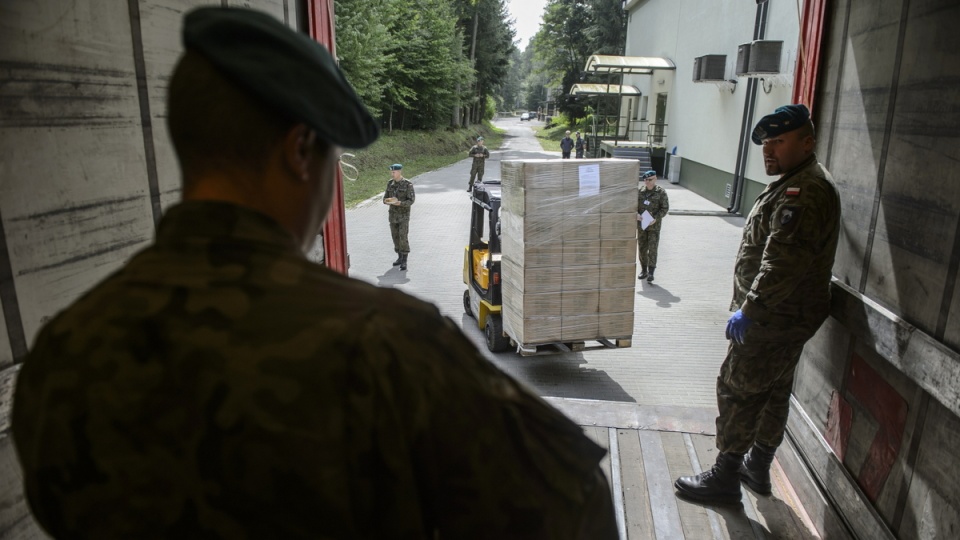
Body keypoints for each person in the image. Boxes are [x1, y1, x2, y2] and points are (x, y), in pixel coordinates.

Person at [11, 7, 618, 539]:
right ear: (300, 150)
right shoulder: (387, 348)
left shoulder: (65, 349)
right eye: (334, 159)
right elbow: (573, 508)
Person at [674, 104, 841, 504]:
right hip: (787, 319)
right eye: (766, 143)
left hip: (772, 319)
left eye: (779, 142)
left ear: (807, 142)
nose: (769, 150)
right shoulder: (797, 180)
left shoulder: (803, 192)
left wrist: (751, 309)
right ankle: (758, 466)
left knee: (739, 389)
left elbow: (782, 261)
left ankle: (725, 477)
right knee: (774, 392)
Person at [636, 170, 669, 283]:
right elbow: (633, 206)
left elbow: (664, 209)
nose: (647, 182)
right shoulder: (640, 191)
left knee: (653, 249)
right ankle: (643, 270)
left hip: (654, 226)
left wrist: (656, 218)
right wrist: (636, 215)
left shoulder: (661, 192)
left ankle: (651, 272)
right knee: (642, 249)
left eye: (650, 180)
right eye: (645, 180)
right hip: (642, 226)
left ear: (655, 179)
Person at [383, 163, 415, 270]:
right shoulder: (390, 184)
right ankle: (399, 257)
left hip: (403, 216)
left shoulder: (407, 184)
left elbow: (411, 200)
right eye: (391, 172)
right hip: (393, 216)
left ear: (400, 172)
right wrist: (387, 201)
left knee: (403, 237)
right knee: (395, 237)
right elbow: (385, 198)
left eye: (394, 172)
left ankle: (405, 260)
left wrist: (400, 203)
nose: (392, 174)